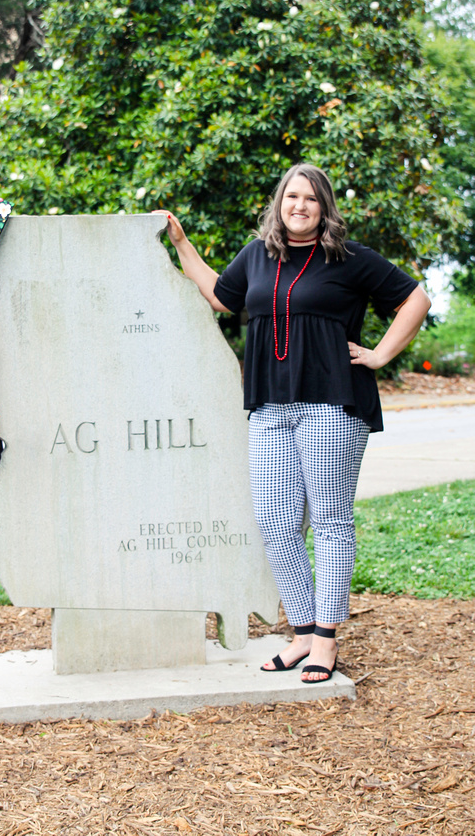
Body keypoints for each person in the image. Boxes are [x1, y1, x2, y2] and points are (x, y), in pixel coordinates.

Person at [153, 164, 430, 683]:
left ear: (324, 208)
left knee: (328, 520)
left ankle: (325, 640)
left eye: (310, 199)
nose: (299, 206)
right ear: (279, 203)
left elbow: (416, 298)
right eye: (291, 196)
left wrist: (380, 354)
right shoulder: (257, 256)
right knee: (276, 521)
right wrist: (183, 244)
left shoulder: (348, 260)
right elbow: (222, 296)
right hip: (270, 408)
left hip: (331, 405)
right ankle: (301, 634)